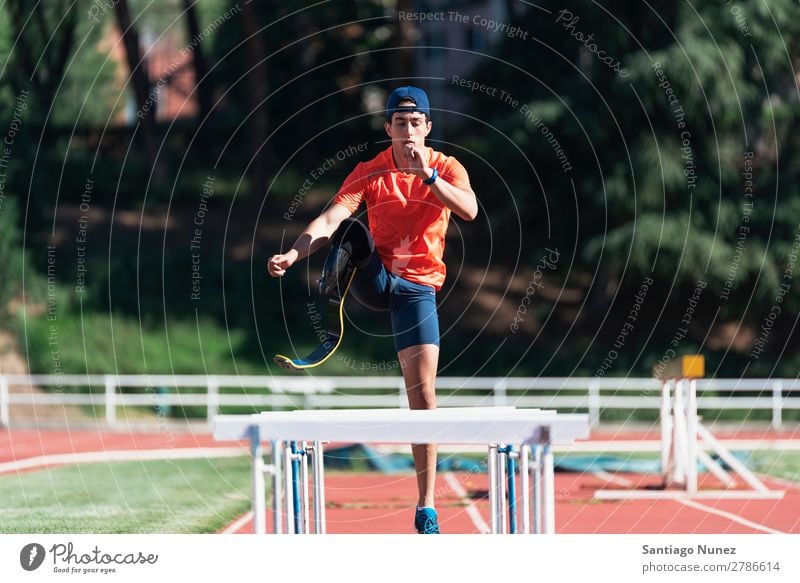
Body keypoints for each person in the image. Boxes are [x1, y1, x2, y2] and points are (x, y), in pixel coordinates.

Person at [267, 86, 477, 534]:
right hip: (376, 281)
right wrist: (293, 254)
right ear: (388, 129)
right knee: (352, 230)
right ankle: (331, 293)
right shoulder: (370, 171)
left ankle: (425, 507)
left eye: (415, 123)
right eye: (399, 124)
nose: (407, 131)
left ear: (427, 127)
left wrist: (430, 179)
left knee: (423, 399)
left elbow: (471, 211)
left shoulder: (446, 166)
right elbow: (328, 219)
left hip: (418, 290)